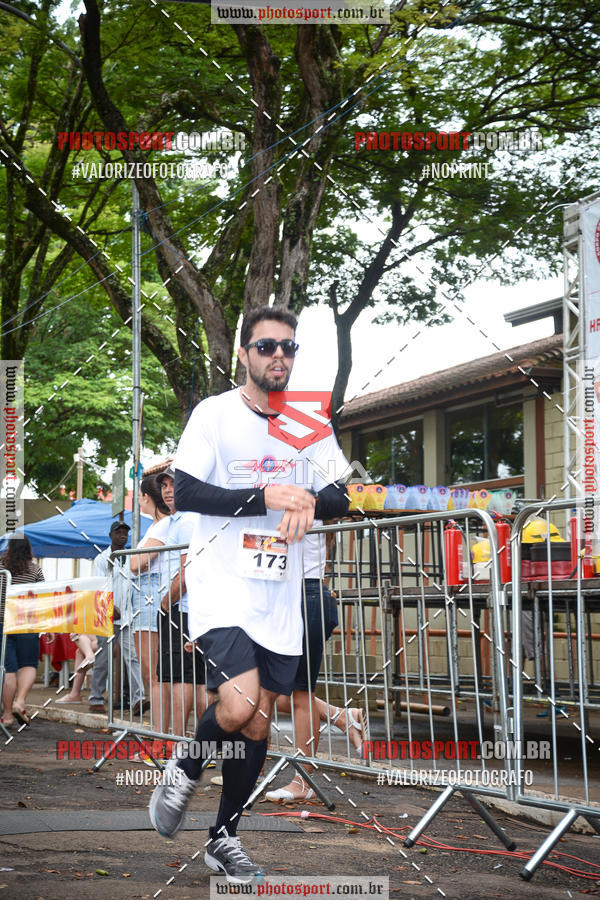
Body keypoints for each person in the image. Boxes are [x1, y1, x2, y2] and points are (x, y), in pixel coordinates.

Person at [149, 305, 350, 884]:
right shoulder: (213, 414)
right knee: (239, 705)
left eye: (288, 347)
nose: (279, 356)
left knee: (259, 723)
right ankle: (184, 768)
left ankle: (223, 839)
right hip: (222, 585)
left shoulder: (308, 421)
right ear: (244, 354)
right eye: (266, 347)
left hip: (280, 591)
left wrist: (312, 500)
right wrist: (267, 496)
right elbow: (184, 489)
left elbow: (343, 493)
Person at [266, 529, 365, 802]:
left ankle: (303, 780)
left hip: (301, 594)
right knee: (262, 689)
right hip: (292, 594)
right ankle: (340, 717)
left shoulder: (307, 498)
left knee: (298, 694)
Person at [153, 467, 208, 736]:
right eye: (164, 485)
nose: (167, 490)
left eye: (173, 484)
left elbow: (189, 570)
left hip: (182, 609)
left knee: (182, 677)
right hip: (185, 609)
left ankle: (178, 744)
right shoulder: (179, 520)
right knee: (193, 679)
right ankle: (197, 747)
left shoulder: (187, 521)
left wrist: (166, 603)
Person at [88, 521, 147, 716]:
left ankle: (138, 699)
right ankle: (96, 698)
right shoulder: (102, 559)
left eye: (125, 533)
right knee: (103, 658)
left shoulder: (131, 558)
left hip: (128, 616)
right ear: (110, 535)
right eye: (119, 532)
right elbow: (100, 586)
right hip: (107, 616)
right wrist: (110, 607)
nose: (123, 535)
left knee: (133, 657)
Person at [130, 474, 170, 726]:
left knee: (152, 672)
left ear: (146, 497)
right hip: (146, 592)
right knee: (151, 672)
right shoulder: (156, 526)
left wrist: (135, 563)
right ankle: (159, 733)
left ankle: (159, 734)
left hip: (150, 593)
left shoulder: (164, 525)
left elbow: (138, 562)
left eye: (139, 496)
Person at [0, 535, 44, 727]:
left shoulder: (1, 568)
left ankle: (8, 715)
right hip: (27, 623)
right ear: (28, 548)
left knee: (8, 669)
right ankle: (20, 701)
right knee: (27, 664)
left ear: (9, 547)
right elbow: (43, 598)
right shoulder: (35, 569)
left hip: (4, 623)